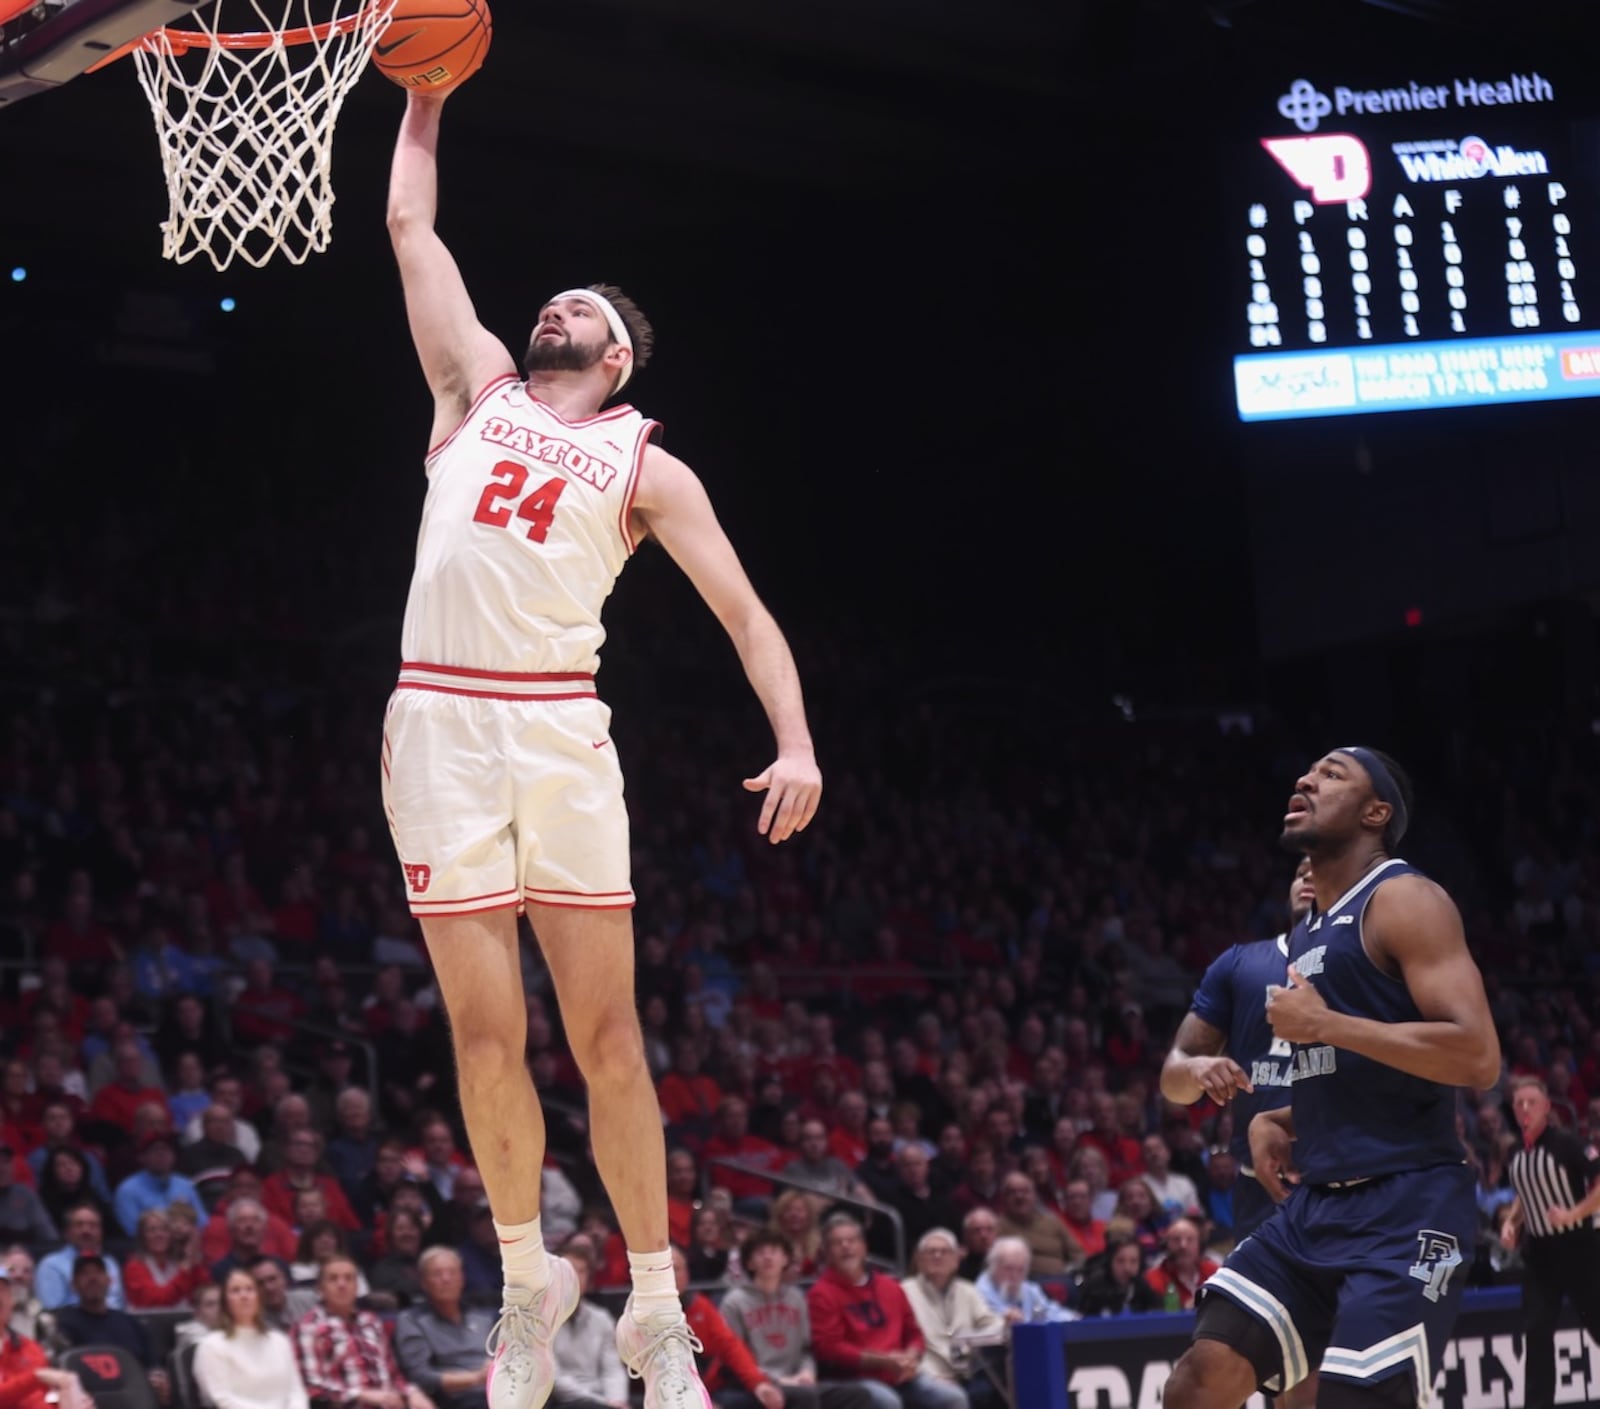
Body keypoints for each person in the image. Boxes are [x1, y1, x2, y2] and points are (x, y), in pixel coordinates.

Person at [382, 86, 821, 1409]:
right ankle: (529, 1284)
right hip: (438, 721)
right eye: (557, 296)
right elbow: (410, 225)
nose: (561, 303)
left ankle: (653, 1306)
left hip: (560, 730)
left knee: (610, 1037)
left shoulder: (643, 463)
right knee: (482, 1034)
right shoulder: (474, 387)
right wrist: (426, 97)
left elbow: (747, 614)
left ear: (622, 357)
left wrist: (794, 740)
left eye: (590, 306)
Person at [1165, 747, 1501, 1409]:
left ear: (1376, 812)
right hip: (1318, 1204)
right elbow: (1364, 1072)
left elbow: (1477, 1056)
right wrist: (1277, 1118)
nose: (1305, 778)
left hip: (1409, 1205)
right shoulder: (1312, 924)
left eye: (1332, 773)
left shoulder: (1405, 898)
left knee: (1352, 1399)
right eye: (1307, 771)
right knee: (1199, 1379)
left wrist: (1326, 1025)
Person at [1161, 857, 1317, 1241]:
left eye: (1323, 867)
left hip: (1347, 1180)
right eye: (1299, 872)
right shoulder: (1241, 964)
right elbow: (1172, 1081)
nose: (1307, 875)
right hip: (1259, 1187)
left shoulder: (1370, 965)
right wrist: (1195, 1068)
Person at [1501, 1076, 1600, 1409]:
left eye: (1531, 1102)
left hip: (1580, 1249)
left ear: (1546, 1108)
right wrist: (1511, 1223)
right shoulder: (1515, 1151)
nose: (1525, 1109)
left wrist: (1574, 1214)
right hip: (1540, 1257)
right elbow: (1526, 1194)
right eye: (1519, 1103)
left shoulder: (1568, 1143)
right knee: (1537, 1333)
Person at [807, 1216, 965, 1409]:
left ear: (864, 1247)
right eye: (837, 1243)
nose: (846, 1247)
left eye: (852, 1240)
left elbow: (914, 1333)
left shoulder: (890, 1286)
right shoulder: (821, 1293)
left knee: (953, 1398)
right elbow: (829, 1349)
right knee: (888, 1402)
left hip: (901, 1375)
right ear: (826, 1253)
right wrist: (883, 1361)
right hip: (853, 1379)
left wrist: (911, 1357)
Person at [718, 1230, 873, 1409]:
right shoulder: (734, 1302)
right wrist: (777, 1380)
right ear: (750, 1263)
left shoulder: (796, 1298)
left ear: (785, 1259)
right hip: (758, 1385)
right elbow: (734, 1356)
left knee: (858, 1395)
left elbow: (805, 1349)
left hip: (797, 1380)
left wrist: (807, 1373)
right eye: (761, 1253)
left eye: (774, 1251)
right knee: (803, 1397)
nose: (768, 1258)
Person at [294, 1255, 433, 1409]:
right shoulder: (308, 1328)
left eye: (349, 1278)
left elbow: (393, 1375)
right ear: (320, 1288)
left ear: (357, 1286)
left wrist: (411, 1392)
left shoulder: (371, 1321)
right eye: (333, 1279)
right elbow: (312, 1390)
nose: (342, 1284)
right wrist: (360, 1394)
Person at [897, 1229, 1005, 1409]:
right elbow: (899, 1343)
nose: (938, 1256)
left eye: (945, 1251)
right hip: (924, 1375)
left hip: (965, 1374)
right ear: (918, 1259)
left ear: (956, 1259)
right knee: (952, 1397)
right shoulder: (903, 1291)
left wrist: (1006, 1322)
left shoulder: (968, 1290)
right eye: (931, 1252)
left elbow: (991, 1324)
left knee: (1002, 1386)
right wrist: (930, 1376)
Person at [193, 1268, 310, 1409]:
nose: (244, 1296)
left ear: (259, 1298)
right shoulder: (212, 1345)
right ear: (225, 1302)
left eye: (250, 1289)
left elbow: (296, 1391)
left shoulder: (280, 1341)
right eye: (236, 1291)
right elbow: (221, 1399)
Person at [393, 1248, 496, 1409]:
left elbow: (501, 1357)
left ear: (462, 1278)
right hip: (459, 1398)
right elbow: (420, 1376)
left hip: (498, 1392)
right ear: (424, 1282)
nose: (446, 1279)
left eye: (452, 1273)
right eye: (437, 1274)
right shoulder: (412, 1320)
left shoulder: (482, 1317)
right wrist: (475, 1378)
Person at [548, 1243, 628, 1409]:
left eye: (581, 1271)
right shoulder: (540, 1320)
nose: (574, 1276)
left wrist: (617, 1402)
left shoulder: (602, 1319)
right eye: (567, 1270)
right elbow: (554, 1378)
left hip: (601, 1401)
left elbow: (612, 1370)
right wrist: (604, 1404)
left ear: (589, 1280)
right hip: (561, 1402)